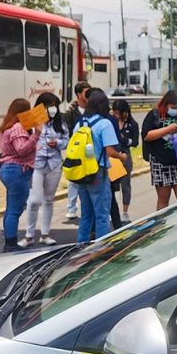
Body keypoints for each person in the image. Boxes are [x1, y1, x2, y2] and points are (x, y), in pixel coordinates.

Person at [74, 90, 126, 242]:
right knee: (102, 214)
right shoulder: (104, 124)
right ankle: (101, 247)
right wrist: (121, 156)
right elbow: (110, 150)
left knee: (86, 214)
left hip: (81, 172)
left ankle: (81, 245)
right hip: (98, 171)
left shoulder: (80, 123)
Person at [23, 92, 68, 247]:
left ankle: (45, 234)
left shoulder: (60, 123)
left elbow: (67, 141)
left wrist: (58, 143)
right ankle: (29, 235)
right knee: (34, 200)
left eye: (54, 106)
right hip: (36, 163)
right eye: (49, 106)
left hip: (54, 164)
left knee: (48, 199)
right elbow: (23, 140)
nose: (52, 109)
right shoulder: (31, 121)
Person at [0, 97, 39, 252]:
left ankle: (9, 242)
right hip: (18, 170)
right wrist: (36, 135)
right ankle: (11, 245)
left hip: (7, 168)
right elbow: (21, 149)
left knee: (10, 208)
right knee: (15, 210)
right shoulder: (18, 128)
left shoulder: (6, 126)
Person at [142, 90, 177, 211]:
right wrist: (168, 129)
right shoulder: (154, 115)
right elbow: (147, 135)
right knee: (163, 200)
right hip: (160, 162)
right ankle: (162, 222)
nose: (175, 110)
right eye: (173, 107)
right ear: (166, 104)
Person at [62, 81, 91, 223]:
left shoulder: (93, 109)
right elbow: (66, 131)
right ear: (79, 94)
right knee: (74, 180)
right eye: (86, 92)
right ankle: (71, 207)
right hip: (75, 149)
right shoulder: (70, 112)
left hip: (90, 149)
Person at [111, 98, 139, 222]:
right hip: (113, 154)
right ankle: (112, 211)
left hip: (125, 154)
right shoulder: (110, 121)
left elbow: (135, 142)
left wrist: (123, 138)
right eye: (115, 113)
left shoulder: (132, 124)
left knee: (125, 184)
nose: (117, 116)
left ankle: (125, 211)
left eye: (119, 113)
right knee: (112, 185)